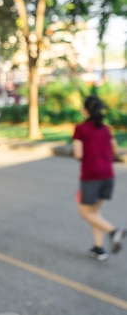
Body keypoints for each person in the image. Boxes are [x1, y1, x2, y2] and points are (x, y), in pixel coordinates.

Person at [73, 95, 125, 261]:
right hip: (108, 175)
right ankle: (99, 248)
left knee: (84, 212)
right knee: (95, 212)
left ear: (85, 110)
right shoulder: (106, 129)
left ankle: (114, 231)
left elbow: (78, 154)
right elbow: (115, 151)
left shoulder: (80, 129)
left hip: (91, 175)